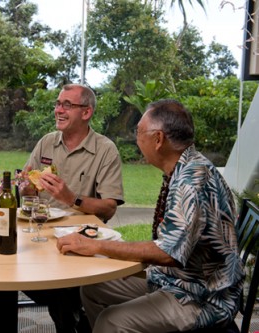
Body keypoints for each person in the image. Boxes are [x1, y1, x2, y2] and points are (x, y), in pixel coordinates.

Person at [57, 99, 245, 332]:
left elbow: (167, 253)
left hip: (200, 296)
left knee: (112, 321)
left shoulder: (191, 182)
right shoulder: (183, 168)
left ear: (158, 139)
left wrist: (97, 246)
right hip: (174, 279)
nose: (136, 140)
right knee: (93, 289)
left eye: (139, 132)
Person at [21, 83, 125, 333]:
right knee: (23, 274)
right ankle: (74, 318)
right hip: (42, 236)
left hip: (82, 241)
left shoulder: (105, 149)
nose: (58, 110)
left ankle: (71, 320)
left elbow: (109, 209)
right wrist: (27, 186)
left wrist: (72, 198)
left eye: (67, 105)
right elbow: (24, 184)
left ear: (86, 112)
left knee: (60, 289)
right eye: (58, 104)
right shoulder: (46, 143)